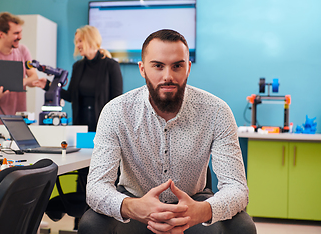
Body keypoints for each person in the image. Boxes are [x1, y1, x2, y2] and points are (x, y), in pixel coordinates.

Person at [78, 29, 257, 234]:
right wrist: (131, 207)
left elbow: (237, 188)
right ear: (143, 69)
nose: (168, 76)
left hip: (194, 203)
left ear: (188, 68)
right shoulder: (116, 112)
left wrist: (201, 211)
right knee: (91, 225)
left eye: (177, 66)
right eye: (158, 66)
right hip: (135, 202)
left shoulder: (216, 111)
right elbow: (96, 187)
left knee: (243, 227)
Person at [33, 25, 123, 230]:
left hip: (104, 131)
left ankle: (106, 223)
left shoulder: (110, 66)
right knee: (82, 175)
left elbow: (117, 101)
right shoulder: (78, 67)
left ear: (90, 39)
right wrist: (47, 86)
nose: (78, 46)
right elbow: (72, 95)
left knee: (102, 176)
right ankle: (81, 223)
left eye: (80, 41)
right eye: (76, 43)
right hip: (82, 133)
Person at [0, 12, 38, 139]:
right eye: (16, 33)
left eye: (20, 32)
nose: (20, 36)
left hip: (19, 123)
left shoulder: (23, 51)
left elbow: (34, 77)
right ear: (1, 34)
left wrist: (18, 82)